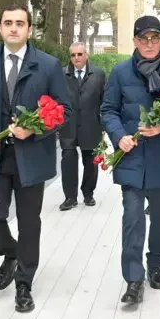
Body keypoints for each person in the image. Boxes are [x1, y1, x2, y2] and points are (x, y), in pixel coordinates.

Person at [0, 6, 71, 314]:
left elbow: (64, 110)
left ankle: (24, 283)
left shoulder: (48, 66)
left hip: (31, 159)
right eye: (8, 23)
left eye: (19, 23)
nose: (13, 28)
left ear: (29, 30)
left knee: (29, 223)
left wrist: (33, 130)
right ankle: (10, 253)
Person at [100, 15, 160, 305]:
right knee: (132, 216)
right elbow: (108, 110)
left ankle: (155, 263)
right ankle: (133, 278)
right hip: (131, 156)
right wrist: (118, 136)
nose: (149, 44)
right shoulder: (119, 73)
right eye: (144, 39)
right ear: (135, 41)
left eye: (155, 38)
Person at [59, 42, 106, 211]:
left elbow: (104, 100)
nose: (76, 58)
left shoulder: (98, 74)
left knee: (91, 163)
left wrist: (103, 124)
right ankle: (70, 197)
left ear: (86, 55)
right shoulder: (62, 74)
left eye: (80, 54)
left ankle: (88, 194)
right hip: (68, 126)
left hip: (91, 125)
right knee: (68, 162)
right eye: (73, 55)